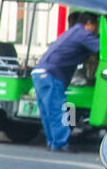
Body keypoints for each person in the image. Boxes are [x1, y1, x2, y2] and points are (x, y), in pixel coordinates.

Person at [32, 12, 99, 152]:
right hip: (51, 74)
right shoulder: (83, 34)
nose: (96, 29)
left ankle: (53, 142)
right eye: (96, 25)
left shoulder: (72, 32)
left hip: (39, 73)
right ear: (89, 24)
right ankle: (60, 144)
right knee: (58, 111)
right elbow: (102, 47)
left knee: (48, 112)